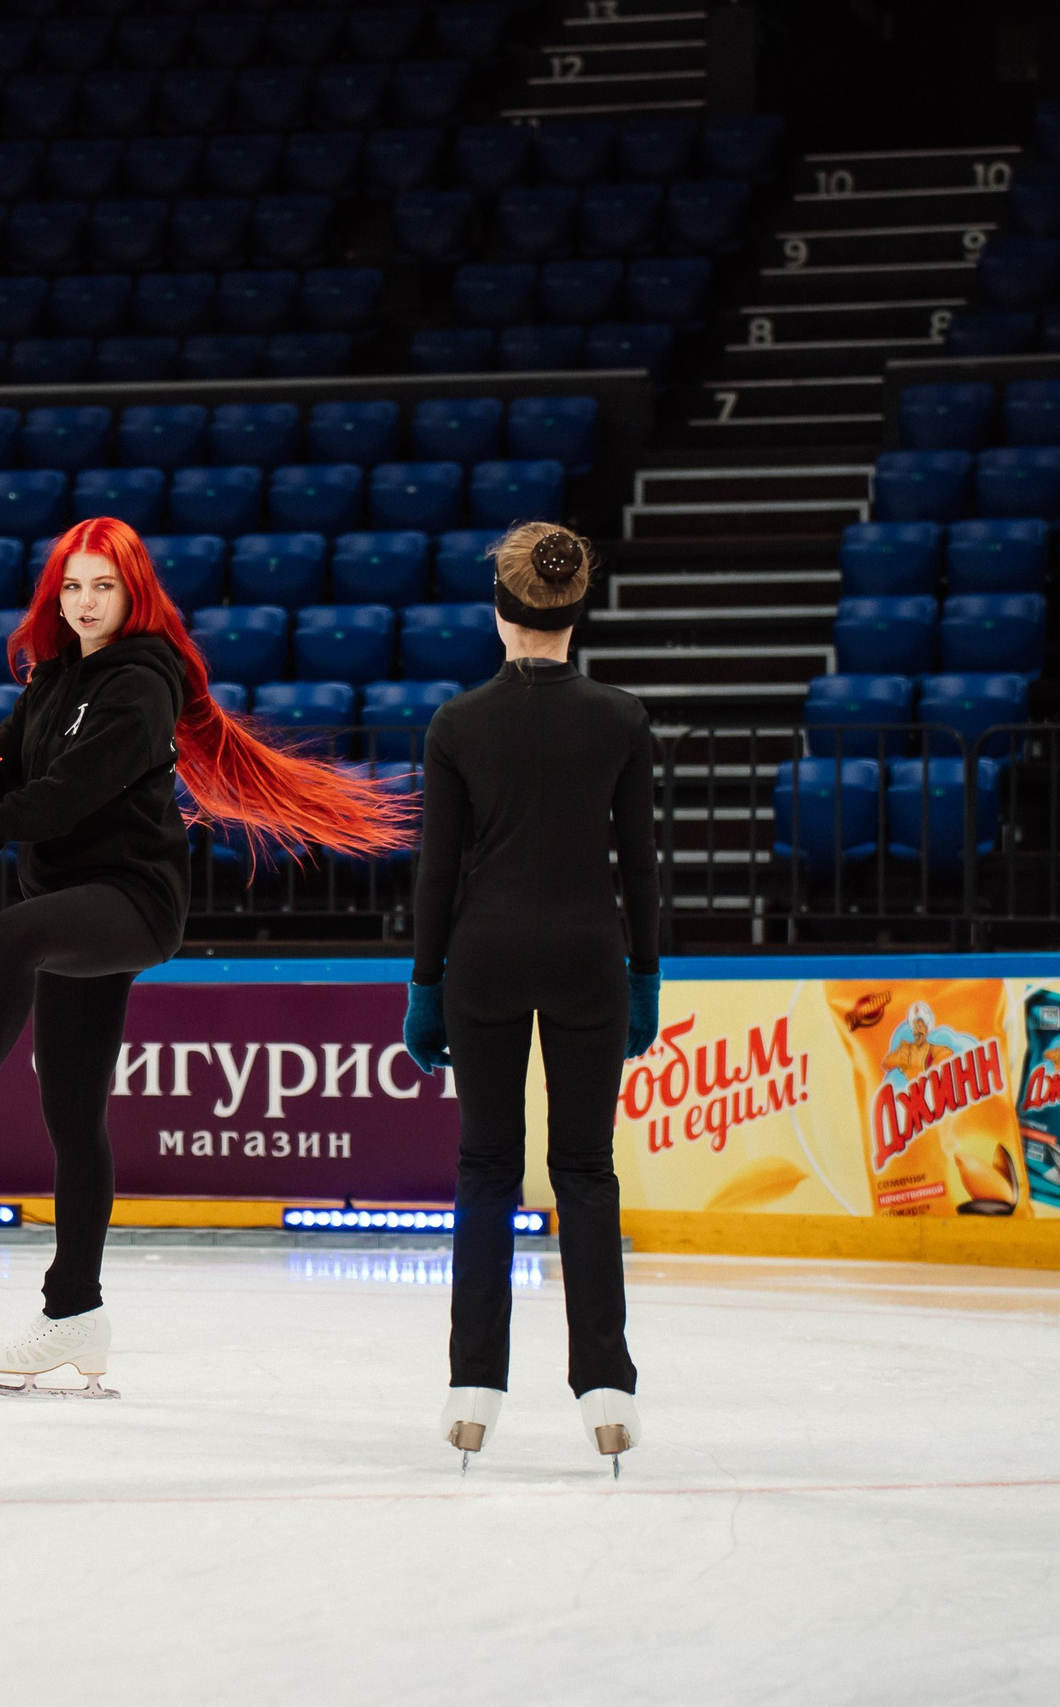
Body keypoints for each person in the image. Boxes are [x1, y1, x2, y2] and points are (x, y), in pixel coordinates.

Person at [0, 516, 411, 1397]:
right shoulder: (56, 677)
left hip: (132, 902)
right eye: (72, 587)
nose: (85, 602)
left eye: (103, 587)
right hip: (69, 906)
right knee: (71, 1112)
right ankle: (74, 1316)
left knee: (14, 934)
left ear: (134, 595)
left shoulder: (143, 684)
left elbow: (59, 800)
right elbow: (12, 780)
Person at [402, 521, 661, 1473]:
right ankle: (607, 1393)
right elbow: (640, 868)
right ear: (573, 610)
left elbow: (436, 877)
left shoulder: (458, 722)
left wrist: (424, 987)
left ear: (499, 612)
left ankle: (474, 1390)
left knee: (485, 1169)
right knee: (586, 1170)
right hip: (592, 951)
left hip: (488, 955)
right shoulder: (622, 716)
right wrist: (647, 978)